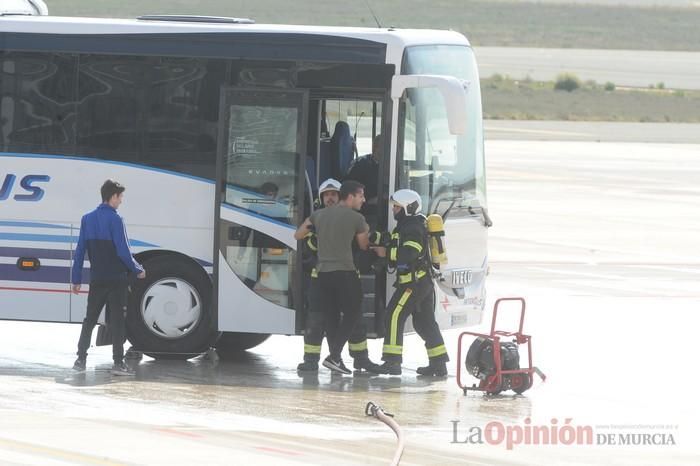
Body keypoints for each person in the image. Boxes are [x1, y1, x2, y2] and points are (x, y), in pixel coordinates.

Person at [297, 178, 380, 374]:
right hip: (345, 274)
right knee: (351, 315)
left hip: (323, 276)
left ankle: (344, 360)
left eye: (333, 194)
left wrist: (315, 230)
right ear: (350, 197)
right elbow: (363, 245)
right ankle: (334, 356)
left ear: (340, 195)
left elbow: (297, 235)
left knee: (333, 318)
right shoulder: (356, 218)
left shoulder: (318, 216)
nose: (363, 200)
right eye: (360, 196)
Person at [71, 180, 145, 376]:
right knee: (118, 321)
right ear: (113, 197)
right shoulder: (116, 220)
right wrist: (138, 269)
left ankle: (80, 359)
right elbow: (123, 251)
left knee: (90, 319)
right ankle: (118, 364)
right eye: (120, 197)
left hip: (97, 279)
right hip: (116, 279)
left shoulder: (87, 219)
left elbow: (80, 251)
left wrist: (76, 278)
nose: (121, 201)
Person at [373, 189, 449, 377]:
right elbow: (397, 242)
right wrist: (376, 238)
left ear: (407, 208)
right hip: (422, 282)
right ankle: (439, 364)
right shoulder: (410, 224)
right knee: (425, 323)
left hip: (413, 283)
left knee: (393, 315)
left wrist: (385, 254)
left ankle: (392, 362)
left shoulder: (412, 227)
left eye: (397, 207)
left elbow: (409, 253)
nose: (394, 210)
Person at [344, 134, 381, 217]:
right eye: (380, 147)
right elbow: (349, 189)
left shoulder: (389, 166)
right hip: (364, 209)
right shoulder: (361, 165)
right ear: (375, 148)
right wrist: (368, 200)